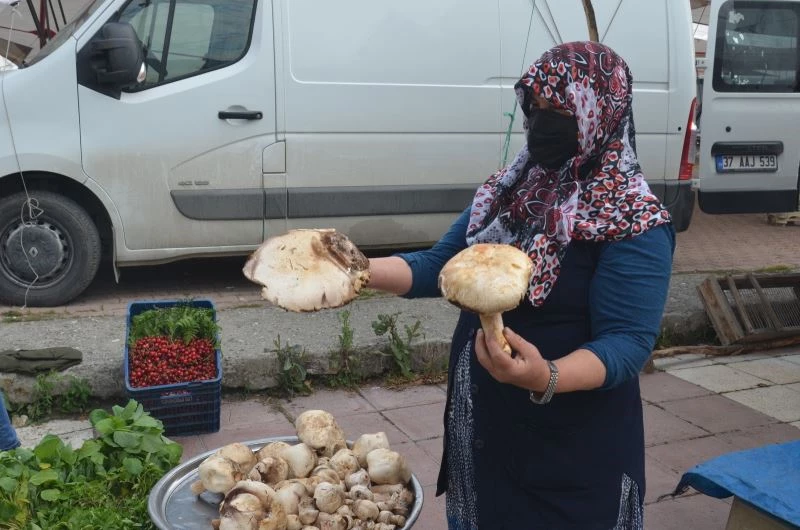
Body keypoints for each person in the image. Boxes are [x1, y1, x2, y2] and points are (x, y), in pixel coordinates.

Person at [367, 41, 674, 529]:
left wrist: (544, 376)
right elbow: (441, 264)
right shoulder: (513, 189)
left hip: (573, 444)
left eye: (560, 109)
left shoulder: (633, 219)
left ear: (600, 113)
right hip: (488, 425)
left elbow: (626, 343)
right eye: (536, 106)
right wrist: (355, 272)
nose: (542, 120)